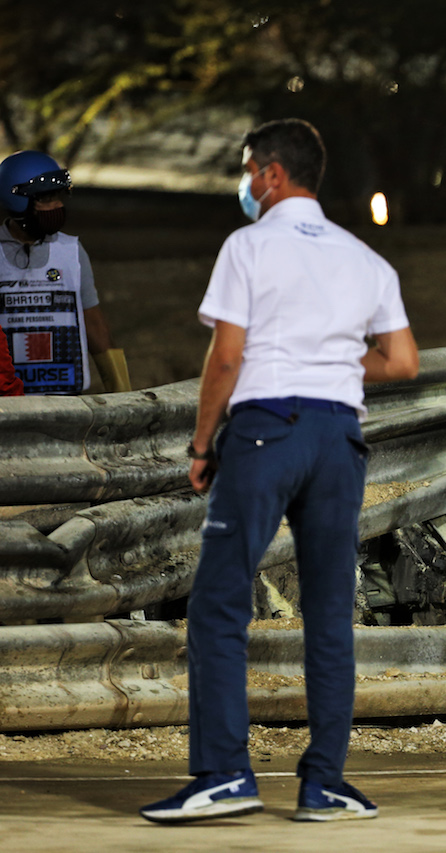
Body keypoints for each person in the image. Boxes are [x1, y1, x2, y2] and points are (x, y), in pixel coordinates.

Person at [139, 119, 419, 823]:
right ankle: (324, 780)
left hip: (268, 431)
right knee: (329, 612)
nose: (244, 183)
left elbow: (227, 358)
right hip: (339, 436)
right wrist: (326, 359)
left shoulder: (249, 245)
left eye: (245, 169)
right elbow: (403, 361)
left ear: (269, 174)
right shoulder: (365, 258)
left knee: (219, 601)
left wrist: (203, 444)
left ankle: (226, 773)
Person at [0, 150, 129, 394]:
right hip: (8, 403)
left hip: (66, 400)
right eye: (46, 199)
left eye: (58, 197)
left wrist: (122, 392)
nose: (57, 206)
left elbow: (94, 324)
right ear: (17, 201)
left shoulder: (71, 252)